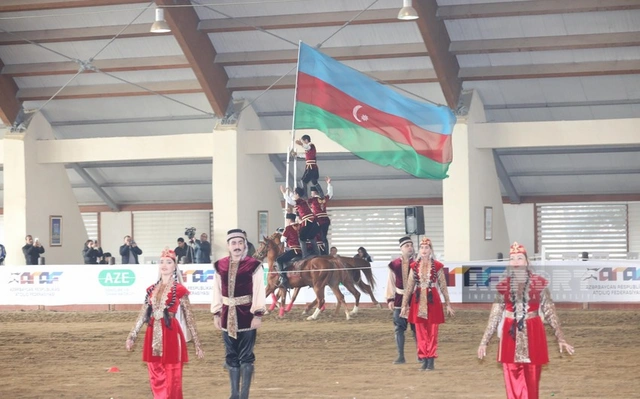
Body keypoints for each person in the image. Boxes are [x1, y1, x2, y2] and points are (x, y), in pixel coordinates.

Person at [477, 242, 575, 399]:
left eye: (519, 258)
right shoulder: (503, 286)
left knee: (532, 379)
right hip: (510, 335)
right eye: (512, 258)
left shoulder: (539, 283)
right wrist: (484, 341)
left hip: (534, 333)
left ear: (527, 261)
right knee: (511, 378)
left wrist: (561, 338)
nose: (516, 262)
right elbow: (495, 315)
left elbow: (550, 311)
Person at [126, 248, 203, 398]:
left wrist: (197, 344)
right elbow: (143, 314)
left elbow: (190, 318)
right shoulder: (151, 290)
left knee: (173, 375)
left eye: (168, 262)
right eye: (162, 262)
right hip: (151, 333)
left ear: (175, 266)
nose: (164, 265)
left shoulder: (179, 290)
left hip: (171, 333)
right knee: (155, 373)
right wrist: (132, 336)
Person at [211, 229, 266, 399]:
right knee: (231, 355)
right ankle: (234, 394)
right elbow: (217, 290)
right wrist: (216, 313)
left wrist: (257, 314)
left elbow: (259, 290)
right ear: (228, 246)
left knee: (246, 357)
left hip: (247, 316)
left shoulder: (254, 265)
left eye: (240, 243)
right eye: (233, 243)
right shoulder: (219, 265)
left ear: (245, 245)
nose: (237, 246)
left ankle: (244, 395)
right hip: (227, 316)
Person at [400, 237, 454, 370]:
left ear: (430, 250)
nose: (424, 250)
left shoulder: (437, 266)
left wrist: (448, 304)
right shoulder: (414, 266)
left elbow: (443, 285)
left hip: (432, 300)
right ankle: (424, 358)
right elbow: (409, 287)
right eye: (422, 248)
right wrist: (404, 305)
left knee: (432, 331)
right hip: (418, 300)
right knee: (420, 331)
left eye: (427, 248)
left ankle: (431, 359)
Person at [386, 236, 416, 364]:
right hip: (399, 299)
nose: (410, 247)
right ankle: (400, 356)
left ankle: (422, 355)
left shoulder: (419, 263)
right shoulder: (395, 265)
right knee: (399, 328)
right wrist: (390, 299)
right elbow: (391, 282)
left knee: (417, 328)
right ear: (401, 249)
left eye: (411, 245)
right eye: (406, 246)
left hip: (415, 299)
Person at [280, 186, 319, 259]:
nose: (293, 195)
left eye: (294, 194)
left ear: (297, 194)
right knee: (311, 237)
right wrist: (290, 192)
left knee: (302, 238)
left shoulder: (299, 201)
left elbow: (291, 201)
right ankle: (318, 253)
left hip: (308, 221)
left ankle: (305, 255)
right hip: (313, 221)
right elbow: (293, 198)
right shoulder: (302, 201)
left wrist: (284, 193)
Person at [307, 177, 333, 255]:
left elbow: (300, 201)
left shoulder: (312, 200)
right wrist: (329, 184)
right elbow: (330, 194)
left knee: (312, 235)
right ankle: (326, 252)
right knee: (324, 237)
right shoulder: (324, 198)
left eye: (311, 193)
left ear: (314, 193)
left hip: (318, 220)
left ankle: (315, 251)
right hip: (326, 219)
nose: (311, 194)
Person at [276, 213, 302, 288]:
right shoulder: (300, 227)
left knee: (279, 260)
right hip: (301, 250)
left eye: (286, 220)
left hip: (293, 250)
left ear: (288, 220)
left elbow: (282, 239)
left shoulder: (288, 228)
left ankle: (283, 278)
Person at [293, 134, 321, 198]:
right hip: (312, 167)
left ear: (306, 140)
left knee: (303, 180)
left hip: (311, 167)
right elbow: (305, 156)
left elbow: (307, 147)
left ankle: (305, 195)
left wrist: (301, 144)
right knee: (314, 182)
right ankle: (320, 194)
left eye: (303, 141)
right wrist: (296, 154)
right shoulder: (309, 150)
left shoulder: (311, 146)